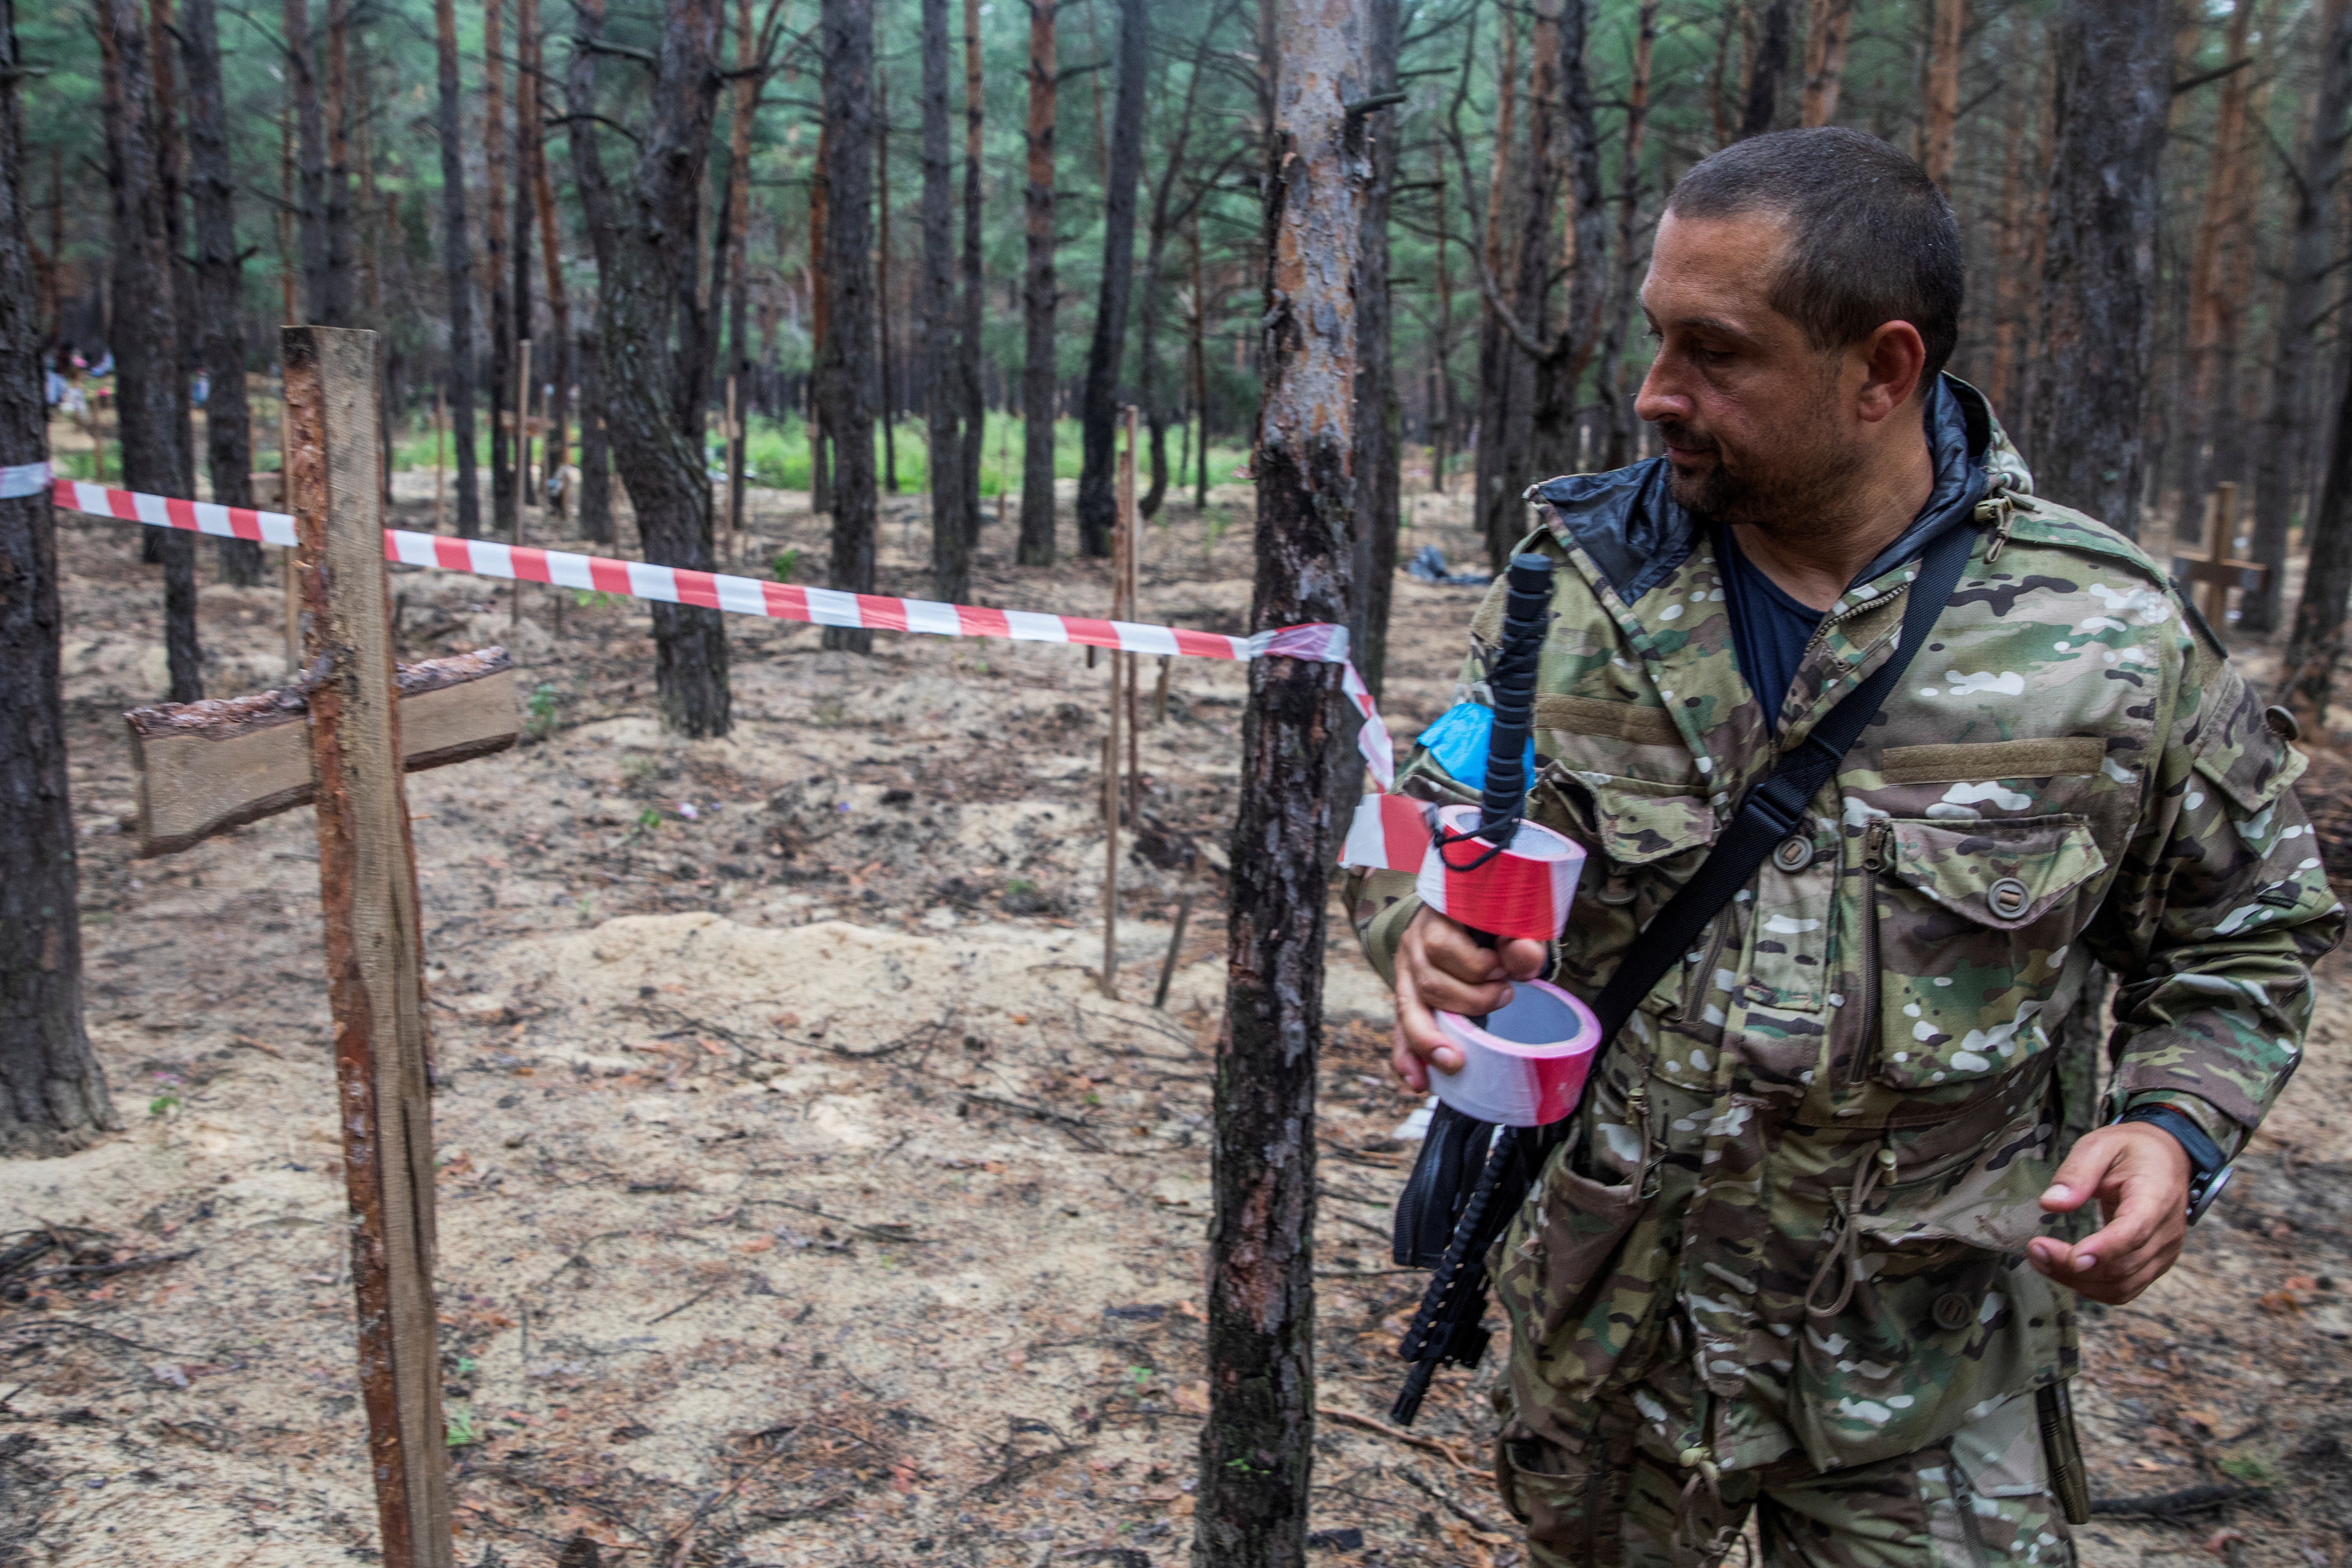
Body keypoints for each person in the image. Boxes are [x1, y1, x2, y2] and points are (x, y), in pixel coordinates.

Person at [1349, 127, 2342, 1568]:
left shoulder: (2102, 637)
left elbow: (2244, 931)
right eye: (1653, 339)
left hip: (1921, 1369)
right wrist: (1419, 939)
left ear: (1880, 370)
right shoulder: (1576, 591)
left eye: (1715, 352)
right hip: (1613, 1348)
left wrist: (2174, 1128)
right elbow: (1424, 831)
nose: (1654, 395)